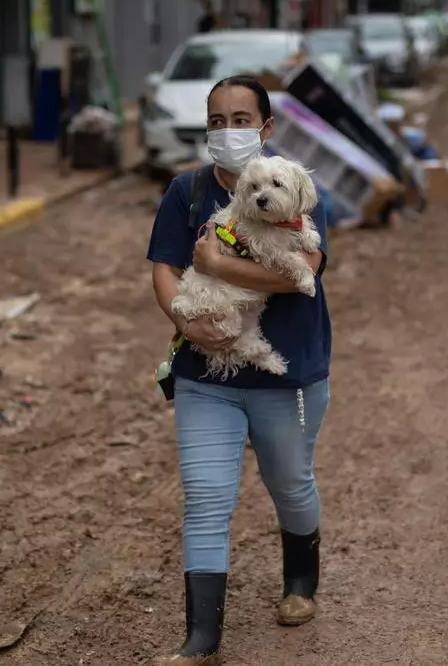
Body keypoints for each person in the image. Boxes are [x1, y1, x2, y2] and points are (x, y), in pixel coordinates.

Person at [147, 75, 333, 664]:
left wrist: (216, 261)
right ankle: (202, 637)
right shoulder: (187, 191)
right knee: (205, 497)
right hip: (209, 373)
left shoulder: (297, 194)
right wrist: (186, 320)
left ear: (266, 128)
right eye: (217, 121)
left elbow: (302, 272)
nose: (228, 132)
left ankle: (300, 583)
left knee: (290, 483)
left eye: (241, 119)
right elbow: (164, 270)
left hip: (287, 373)